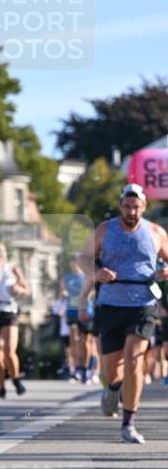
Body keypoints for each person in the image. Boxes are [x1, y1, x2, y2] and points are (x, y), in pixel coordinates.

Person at [79, 183, 168, 443]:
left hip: (143, 304)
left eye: (136, 207)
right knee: (112, 369)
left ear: (144, 207)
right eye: (127, 207)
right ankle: (113, 387)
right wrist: (96, 272)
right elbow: (82, 258)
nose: (131, 212)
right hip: (111, 304)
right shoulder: (105, 230)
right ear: (120, 205)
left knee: (134, 360)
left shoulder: (156, 233)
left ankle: (129, 423)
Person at [0, 242, 29, 399]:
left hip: (8, 311)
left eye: (1, 251)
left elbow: (26, 290)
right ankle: (1, 387)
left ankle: (16, 379)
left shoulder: (12, 269)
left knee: (9, 351)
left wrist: (17, 289)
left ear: (5, 253)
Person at [62, 256, 87, 381]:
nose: (75, 264)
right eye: (73, 262)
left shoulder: (86, 276)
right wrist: (64, 294)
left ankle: (85, 367)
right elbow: (62, 292)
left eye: (77, 262)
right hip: (71, 310)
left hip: (84, 310)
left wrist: (84, 296)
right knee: (73, 339)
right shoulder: (66, 277)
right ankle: (75, 367)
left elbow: (92, 291)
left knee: (85, 341)